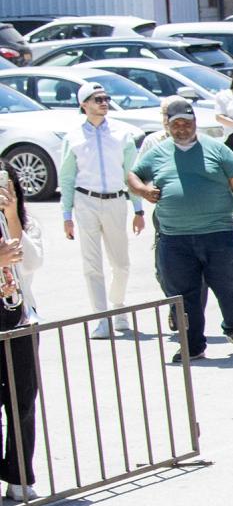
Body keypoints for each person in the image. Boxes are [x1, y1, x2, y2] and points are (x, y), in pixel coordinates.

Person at [126, 97, 233, 362]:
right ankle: (193, 344)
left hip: (218, 233)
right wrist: (143, 190)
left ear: (195, 122)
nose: (182, 129)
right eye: (176, 124)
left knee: (230, 286)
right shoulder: (158, 152)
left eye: (186, 123)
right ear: (168, 126)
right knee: (184, 294)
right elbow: (133, 175)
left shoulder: (217, 149)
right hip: (175, 238)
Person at [58, 82, 146, 338]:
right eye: (97, 99)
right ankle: (101, 318)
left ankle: (118, 307)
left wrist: (138, 210)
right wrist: (66, 215)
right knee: (91, 264)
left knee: (121, 264)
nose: (104, 102)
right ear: (84, 104)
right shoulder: (73, 136)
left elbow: (130, 173)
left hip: (116, 201)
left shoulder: (121, 134)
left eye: (106, 98)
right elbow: (66, 177)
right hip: (86, 201)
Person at [0, 168, 45, 503]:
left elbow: (31, 262)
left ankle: (19, 475)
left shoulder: (25, 220)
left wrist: (12, 216)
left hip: (19, 320)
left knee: (23, 400)